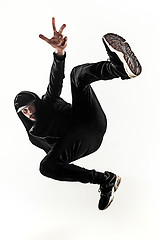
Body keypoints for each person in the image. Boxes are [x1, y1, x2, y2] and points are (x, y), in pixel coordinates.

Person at [14, 17, 142, 210]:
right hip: (81, 142)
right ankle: (104, 180)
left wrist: (59, 52)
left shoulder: (48, 102)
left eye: (31, 106)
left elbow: (55, 81)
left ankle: (117, 68)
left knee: (77, 75)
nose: (29, 112)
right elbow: (59, 159)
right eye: (24, 111)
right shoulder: (35, 136)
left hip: (89, 121)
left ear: (37, 102)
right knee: (46, 166)